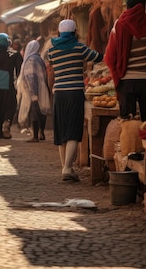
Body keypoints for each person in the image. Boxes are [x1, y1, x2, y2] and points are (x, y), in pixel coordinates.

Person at [46, 19, 103, 182]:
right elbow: (97, 57)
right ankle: (67, 168)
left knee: (62, 130)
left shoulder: (52, 50)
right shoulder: (79, 47)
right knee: (73, 130)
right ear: (74, 32)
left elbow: (51, 71)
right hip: (74, 92)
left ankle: (67, 167)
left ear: (59, 33)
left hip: (59, 93)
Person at [105, 0, 146, 121]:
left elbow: (110, 57)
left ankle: (130, 142)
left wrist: (117, 79)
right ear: (143, 6)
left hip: (127, 83)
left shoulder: (119, 25)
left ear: (127, 6)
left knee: (127, 125)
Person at [17, 40, 50, 142]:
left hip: (33, 90)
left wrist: (34, 93)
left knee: (34, 112)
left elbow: (31, 77)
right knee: (41, 111)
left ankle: (35, 136)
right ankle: (42, 133)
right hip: (42, 88)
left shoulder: (30, 60)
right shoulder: (39, 59)